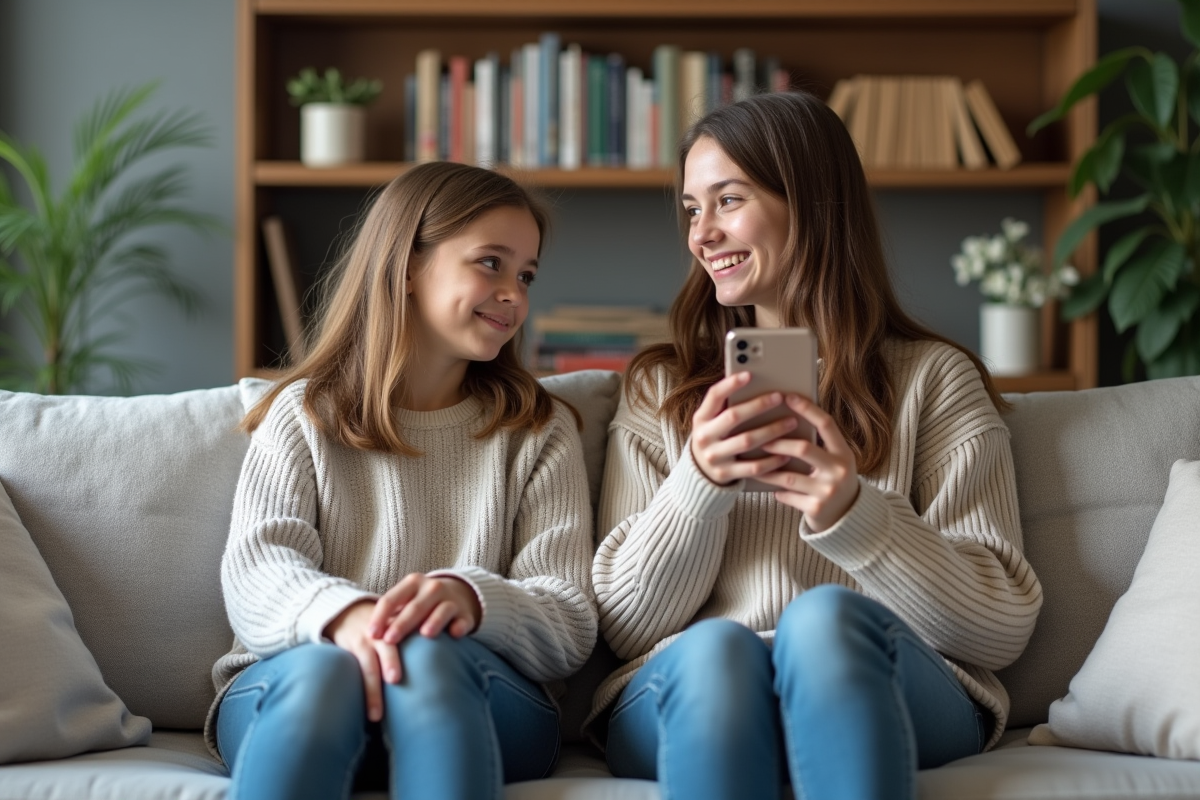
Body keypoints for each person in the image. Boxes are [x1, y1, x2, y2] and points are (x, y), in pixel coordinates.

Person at [590, 91, 1043, 800]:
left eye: (727, 201)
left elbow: (1000, 628)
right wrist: (697, 484)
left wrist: (854, 513)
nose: (700, 234)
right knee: (716, 651)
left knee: (826, 620)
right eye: (690, 209)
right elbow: (624, 626)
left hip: (886, 679)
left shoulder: (932, 379)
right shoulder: (662, 388)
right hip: (692, 683)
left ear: (810, 201)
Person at [204, 161, 597, 800]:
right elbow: (256, 570)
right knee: (325, 676)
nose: (515, 295)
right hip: (302, 683)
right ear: (408, 266)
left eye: (525, 274)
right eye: (491, 263)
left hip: (485, 701)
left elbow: (570, 617)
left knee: (431, 660)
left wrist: (472, 602)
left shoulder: (535, 431)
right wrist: (348, 618)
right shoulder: (303, 415)